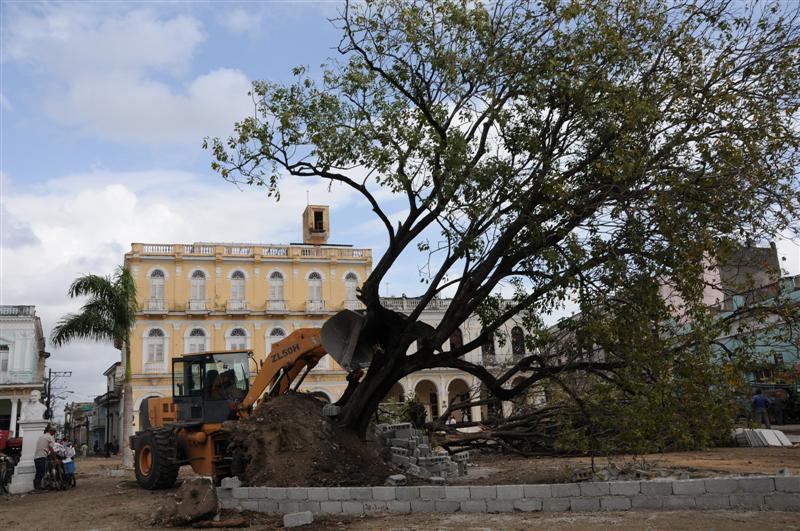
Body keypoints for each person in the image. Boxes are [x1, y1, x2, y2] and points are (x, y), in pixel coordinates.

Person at [33, 425, 56, 490]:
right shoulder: (50, 437)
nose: (54, 434)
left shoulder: (42, 436)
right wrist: (55, 458)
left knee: (38, 473)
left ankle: (37, 487)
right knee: (42, 472)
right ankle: (38, 487)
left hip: (36, 457)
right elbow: (51, 448)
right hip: (42, 457)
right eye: (54, 432)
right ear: (52, 432)